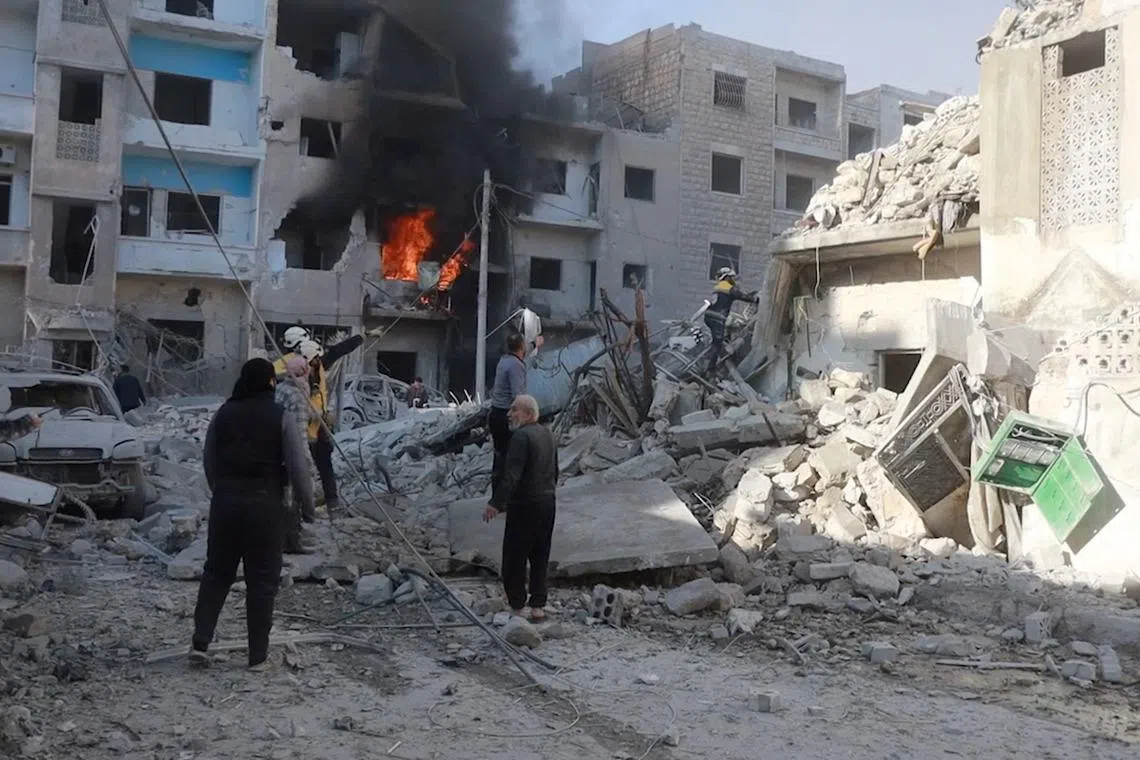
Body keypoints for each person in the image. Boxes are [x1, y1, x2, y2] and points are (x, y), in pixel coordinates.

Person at [190, 358, 315, 672]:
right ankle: (257, 657)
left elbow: (209, 460)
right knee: (262, 581)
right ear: (270, 382)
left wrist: (222, 490)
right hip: (265, 506)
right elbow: (298, 466)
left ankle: (200, 644)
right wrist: (308, 505)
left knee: (216, 574)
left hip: (225, 504)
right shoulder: (280, 416)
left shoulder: (223, 413)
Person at [483, 395, 558, 622]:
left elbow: (512, 475)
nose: (509, 414)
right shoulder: (548, 434)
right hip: (547, 502)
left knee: (515, 556)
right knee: (540, 554)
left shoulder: (520, 437)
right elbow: (555, 471)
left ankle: (517, 605)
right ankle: (538, 606)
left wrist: (496, 503)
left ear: (527, 413)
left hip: (524, 504)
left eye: (514, 410)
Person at [296, 334, 363, 513]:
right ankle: (302, 504)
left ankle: (332, 500)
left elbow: (337, 351)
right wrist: (316, 415)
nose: (320, 361)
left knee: (325, 463)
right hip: (303, 430)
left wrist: (360, 338)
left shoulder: (319, 366)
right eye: (316, 359)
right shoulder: (298, 377)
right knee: (304, 468)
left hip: (319, 427)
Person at [488, 332, 544, 500]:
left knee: (500, 457)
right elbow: (518, 397)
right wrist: (530, 416)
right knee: (512, 459)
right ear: (521, 347)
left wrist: (535, 344)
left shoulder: (505, 360)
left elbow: (522, 353)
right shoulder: (516, 366)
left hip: (496, 414)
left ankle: (497, 499)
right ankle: (507, 499)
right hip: (508, 417)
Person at [275, 356, 319, 555]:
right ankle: (292, 541)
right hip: (292, 453)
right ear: (303, 372)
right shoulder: (297, 396)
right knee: (295, 498)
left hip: (276, 452)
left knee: (282, 497)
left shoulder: (281, 389)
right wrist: (307, 463)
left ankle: (281, 538)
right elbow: (299, 435)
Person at [703, 267, 759, 375]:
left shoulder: (719, 286)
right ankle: (710, 370)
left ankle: (712, 360)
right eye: (732, 278)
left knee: (720, 339)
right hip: (717, 318)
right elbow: (743, 297)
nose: (733, 280)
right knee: (717, 343)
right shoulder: (728, 288)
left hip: (709, 316)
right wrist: (756, 299)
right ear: (726, 278)